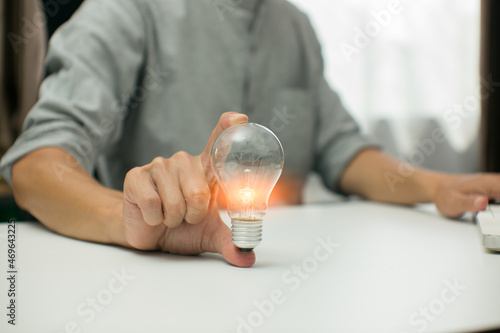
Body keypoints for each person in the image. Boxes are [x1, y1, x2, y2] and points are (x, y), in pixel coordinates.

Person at [0, 0, 497, 268]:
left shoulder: (294, 24)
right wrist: (128, 220)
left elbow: (343, 149)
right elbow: (36, 165)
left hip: (288, 286)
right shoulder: (126, 11)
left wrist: (438, 187)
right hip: (159, 293)